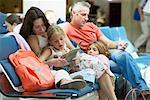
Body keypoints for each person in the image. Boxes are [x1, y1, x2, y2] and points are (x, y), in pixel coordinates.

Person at [59, 1, 149, 94]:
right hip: (92, 57)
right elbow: (58, 31)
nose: (86, 18)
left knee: (124, 56)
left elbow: (107, 43)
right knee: (121, 66)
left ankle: (143, 89)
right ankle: (139, 92)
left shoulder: (91, 26)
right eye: (83, 15)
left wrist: (117, 45)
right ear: (74, 13)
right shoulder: (67, 27)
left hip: (104, 51)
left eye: (87, 15)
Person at [39, 25, 117, 100]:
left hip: (75, 69)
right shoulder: (50, 50)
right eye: (56, 41)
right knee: (100, 70)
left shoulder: (66, 47)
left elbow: (75, 54)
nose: (60, 43)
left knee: (102, 71)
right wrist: (52, 62)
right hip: (65, 75)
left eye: (61, 39)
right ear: (50, 41)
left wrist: (75, 58)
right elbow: (38, 63)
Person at [19, 6, 87, 89]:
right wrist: (52, 62)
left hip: (66, 65)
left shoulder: (52, 31)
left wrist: (72, 56)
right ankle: (65, 81)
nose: (42, 29)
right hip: (50, 68)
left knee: (91, 67)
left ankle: (71, 79)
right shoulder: (33, 38)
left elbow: (71, 48)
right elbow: (38, 62)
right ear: (31, 27)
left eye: (43, 25)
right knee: (61, 73)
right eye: (37, 27)